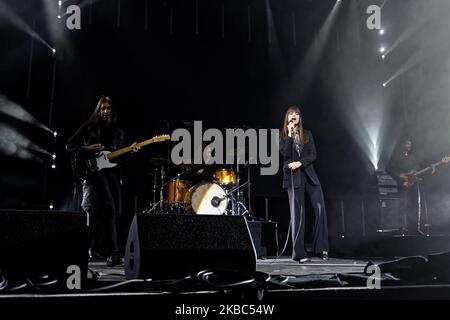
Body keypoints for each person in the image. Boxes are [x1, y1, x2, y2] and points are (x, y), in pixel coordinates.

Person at [66, 96, 140, 266]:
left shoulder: (118, 132)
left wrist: (130, 151)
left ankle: (97, 247)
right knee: (101, 210)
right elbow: (69, 145)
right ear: (98, 110)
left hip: (111, 174)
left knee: (114, 212)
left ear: (113, 111)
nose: (105, 111)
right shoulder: (89, 126)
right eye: (103, 108)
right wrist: (87, 148)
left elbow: (117, 159)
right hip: (92, 172)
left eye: (108, 109)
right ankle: (112, 253)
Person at [279, 106, 329, 263]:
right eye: (291, 114)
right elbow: (285, 153)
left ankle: (321, 248)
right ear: (287, 118)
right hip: (294, 178)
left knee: (320, 209)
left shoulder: (307, 134)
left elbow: (313, 154)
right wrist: (289, 133)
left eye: (297, 114)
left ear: (300, 118)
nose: (294, 116)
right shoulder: (282, 135)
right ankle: (299, 254)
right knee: (298, 215)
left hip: (310, 176)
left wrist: (300, 162)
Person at [386, 138, 421, 235]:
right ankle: (401, 228)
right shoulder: (396, 157)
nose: (408, 146)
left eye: (410, 144)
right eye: (406, 144)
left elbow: (418, 167)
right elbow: (388, 169)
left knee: (415, 206)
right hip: (403, 185)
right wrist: (400, 176)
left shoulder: (413, 157)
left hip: (413, 184)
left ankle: (414, 229)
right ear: (402, 145)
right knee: (402, 206)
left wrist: (414, 171)